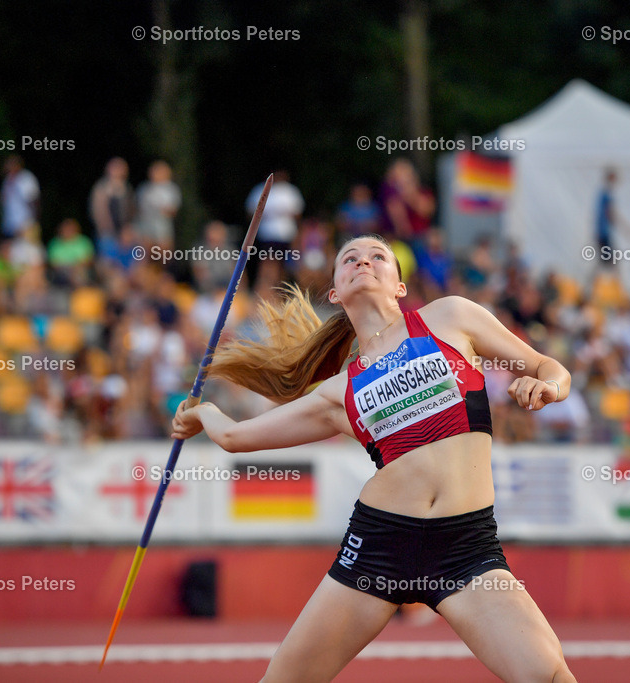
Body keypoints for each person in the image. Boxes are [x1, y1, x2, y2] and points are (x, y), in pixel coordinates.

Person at [171, 235, 578, 682]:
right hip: (379, 547)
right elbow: (232, 437)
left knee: (548, 675)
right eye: (350, 259)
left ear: (399, 286)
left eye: (377, 256)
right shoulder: (338, 392)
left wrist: (548, 389)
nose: (364, 261)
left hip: (466, 549)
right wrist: (203, 414)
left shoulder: (450, 317)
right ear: (335, 292)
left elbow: (547, 367)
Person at [136, 160, 181, 252]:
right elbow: (137, 207)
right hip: (145, 228)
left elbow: (173, 210)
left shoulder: (171, 189)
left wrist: (164, 211)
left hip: (163, 229)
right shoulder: (144, 188)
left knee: (163, 255)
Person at [0, 155, 40, 242]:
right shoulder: (7, 180)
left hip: (25, 224)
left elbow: (33, 200)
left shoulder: (26, 178)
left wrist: (32, 222)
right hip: (10, 225)